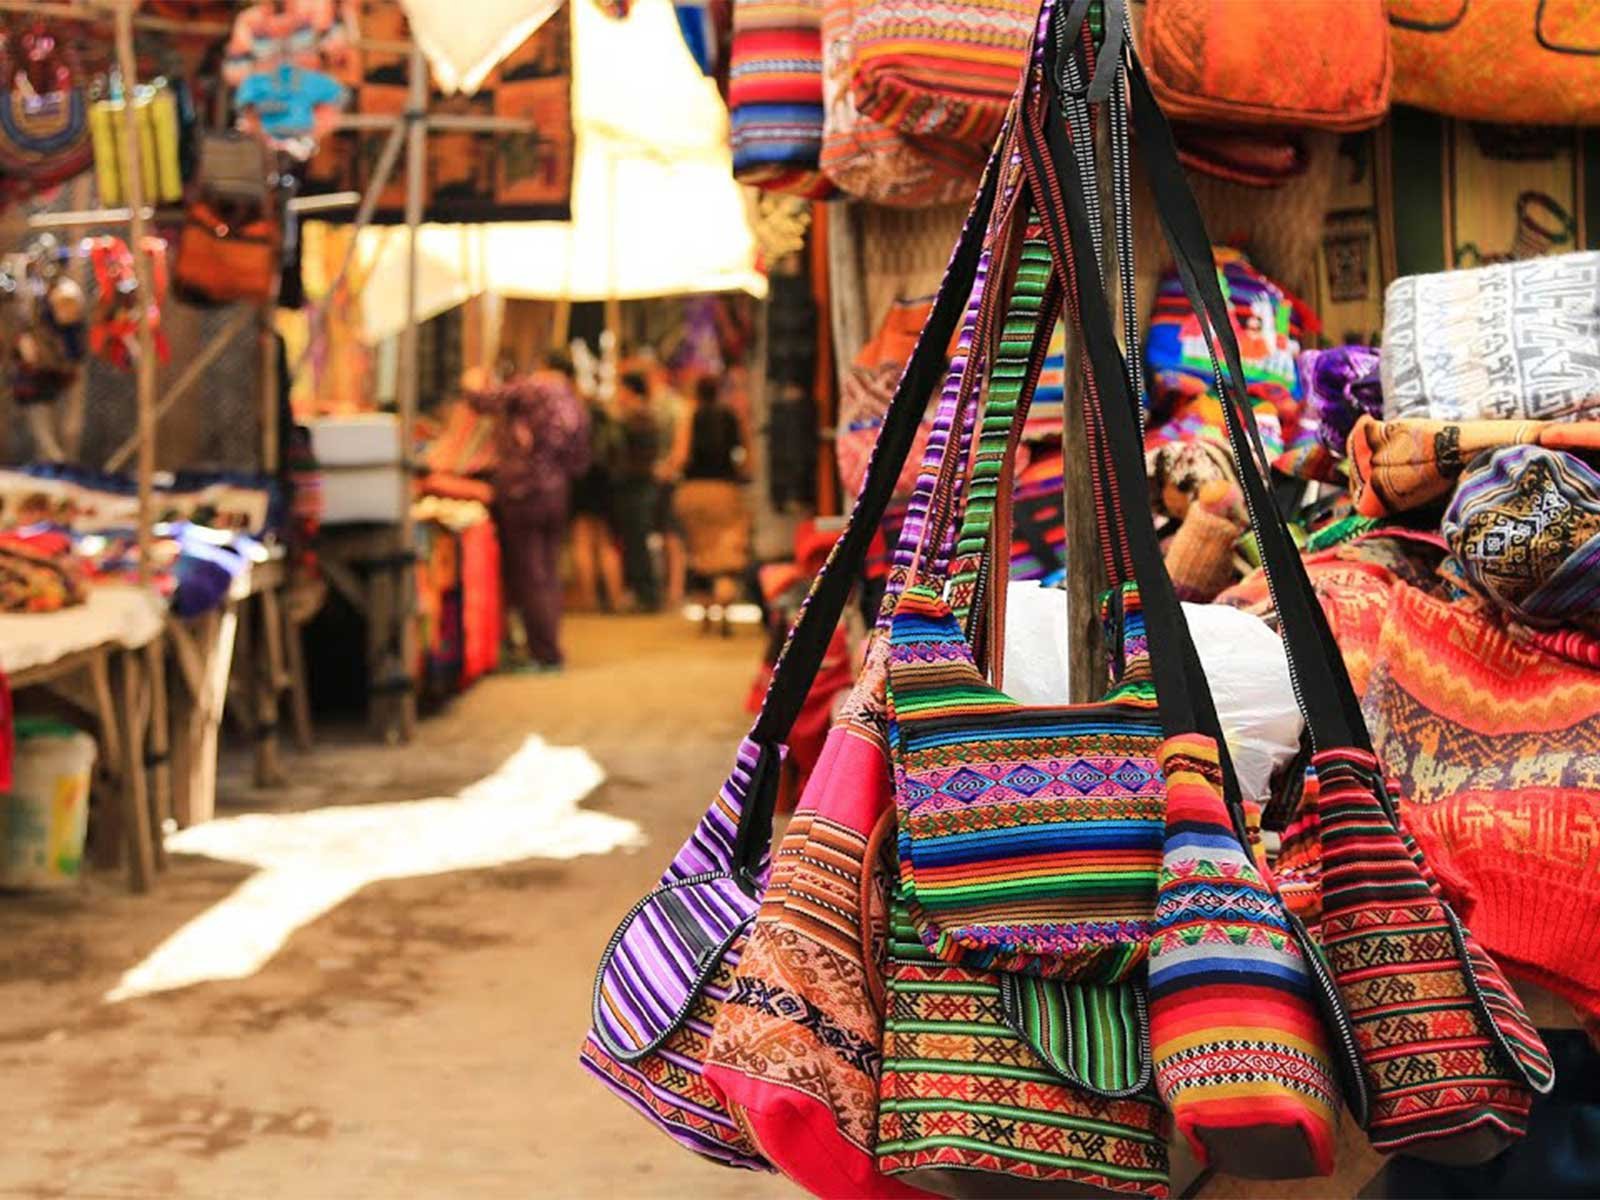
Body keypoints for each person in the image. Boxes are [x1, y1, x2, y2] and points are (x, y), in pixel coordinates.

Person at [465, 358, 589, 670]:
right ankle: (549, 647)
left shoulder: (534, 389)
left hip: (524, 493)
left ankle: (544, 652)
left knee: (531, 574)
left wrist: (471, 381)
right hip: (557, 492)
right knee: (547, 572)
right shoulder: (572, 400)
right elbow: (580, 458)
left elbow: (482, 401)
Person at [670, 375, 753, 635]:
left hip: (694, 490)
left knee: (699, 551)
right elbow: (747, 454)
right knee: (725, 551)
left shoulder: (690, 417)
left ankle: (705, 613)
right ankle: (725, 606)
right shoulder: (730, 417)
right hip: (725, 489)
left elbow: (681, 456)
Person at [569, 373, 627, 612]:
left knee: (583, 541)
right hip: (605, 485)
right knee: (605, 542)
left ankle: (589, 599)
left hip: (582, 484)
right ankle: (615, 598)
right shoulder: (609, 422)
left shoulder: (576, 422)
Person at [610, 371, 662, 610]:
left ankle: (647, 594)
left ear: (630, 390)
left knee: (638, 540)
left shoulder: (636, 416)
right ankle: (645, 593)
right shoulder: (642, 414)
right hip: (638, 484)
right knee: (636, 539)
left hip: (637, 485)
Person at [646, 358, 690, 610]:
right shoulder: (674, 405)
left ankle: (673, 589)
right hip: (668, 476)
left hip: (666, 478)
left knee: (670, 536)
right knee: (669, 537)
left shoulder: (667, 405)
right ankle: (672, 589)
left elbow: (680, 447)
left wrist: (668, 467)